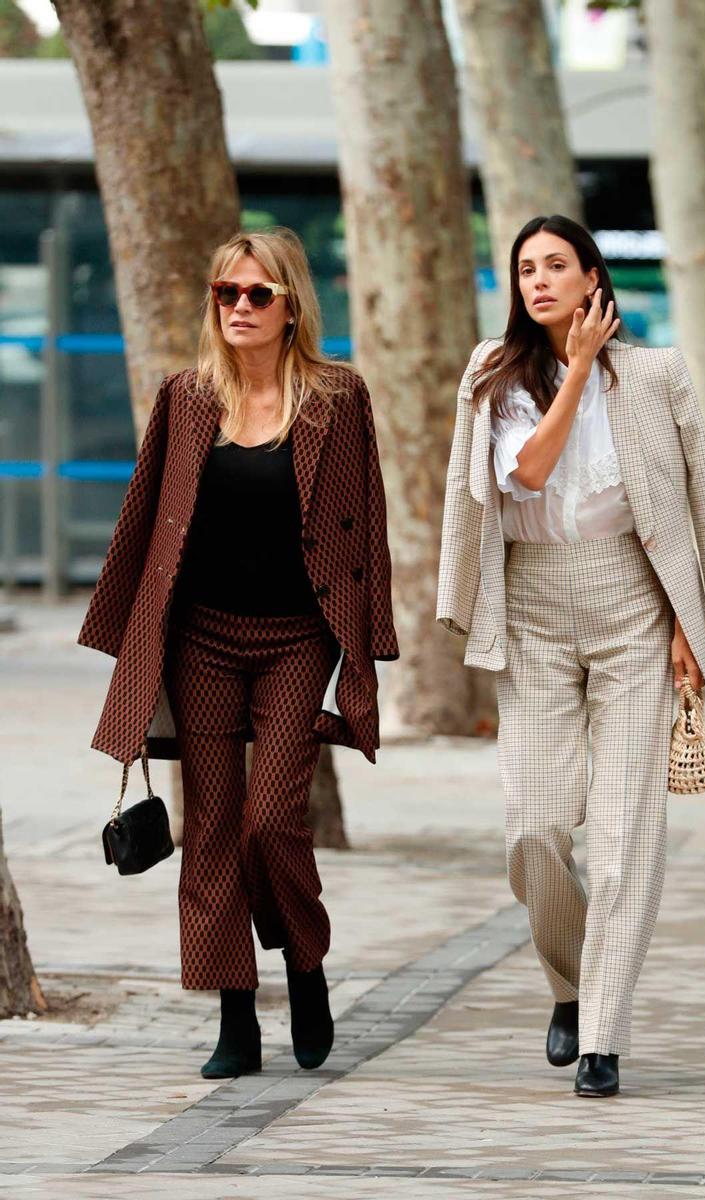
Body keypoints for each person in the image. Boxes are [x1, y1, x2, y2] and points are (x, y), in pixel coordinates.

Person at [78, 229, 398, 1079]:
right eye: (227, 294)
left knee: (270, 823)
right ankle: (234, 1017)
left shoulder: (339, 397)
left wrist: (369, 645)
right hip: (201, 638)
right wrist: (127, 627)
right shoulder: (185, 397)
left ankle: (305, 963)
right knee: (213, 826)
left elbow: (365, 521)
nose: (241, 309)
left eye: (259, 294)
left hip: (298, 637)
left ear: (292, 304)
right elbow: (147, 512)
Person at [437, 215, 705, 1098]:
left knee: (623, 838)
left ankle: (602, 1032)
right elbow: (525, 474)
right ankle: (569, 979)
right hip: (529, 605)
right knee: (533, 827)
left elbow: (699, 501)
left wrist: (695, 622)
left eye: (556, 265)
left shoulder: (657, 374)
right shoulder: (493, 374)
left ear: (591, 275)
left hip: (631, 607)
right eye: (525, 268)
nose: (538, 280)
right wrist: (571, 373)